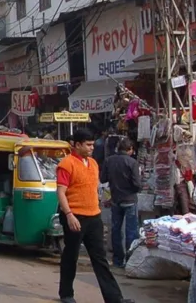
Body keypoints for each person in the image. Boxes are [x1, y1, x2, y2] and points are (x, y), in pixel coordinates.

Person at [56, 129, 131, 303]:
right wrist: (69, 215)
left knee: (100, 259)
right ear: (77, 145)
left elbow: (95, 187)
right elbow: (60, 192)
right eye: (88, 145)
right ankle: (66, 294)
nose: (91, 148)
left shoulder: (94, 163)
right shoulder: (67, 164)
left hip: (93, 216)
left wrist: (102, 199)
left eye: (92, 144)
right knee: (71, 256)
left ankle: (114, 298)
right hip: (74, 216)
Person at [100, 138, 141, 268]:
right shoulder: (132, 162)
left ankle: (118, 260)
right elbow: (137, 184)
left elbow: (103, 178)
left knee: (116, 230)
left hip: (116, 199)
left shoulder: (109, 161)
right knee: (131, 231)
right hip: (129, 199)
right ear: (130, 150)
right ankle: (130, 260)